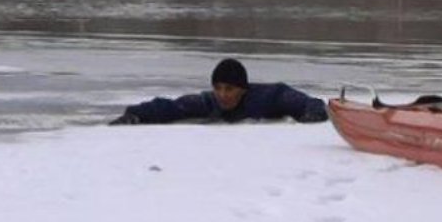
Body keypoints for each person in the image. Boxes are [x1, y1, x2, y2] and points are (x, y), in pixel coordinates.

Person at [109, 58, 329, 125]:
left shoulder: (268, 97)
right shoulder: (209, 102)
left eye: (229, 89)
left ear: (242, 89)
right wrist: (135, 114)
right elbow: (171, 107)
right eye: (218, 88)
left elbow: (310, 103)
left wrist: (312, 115)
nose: (222, 94)